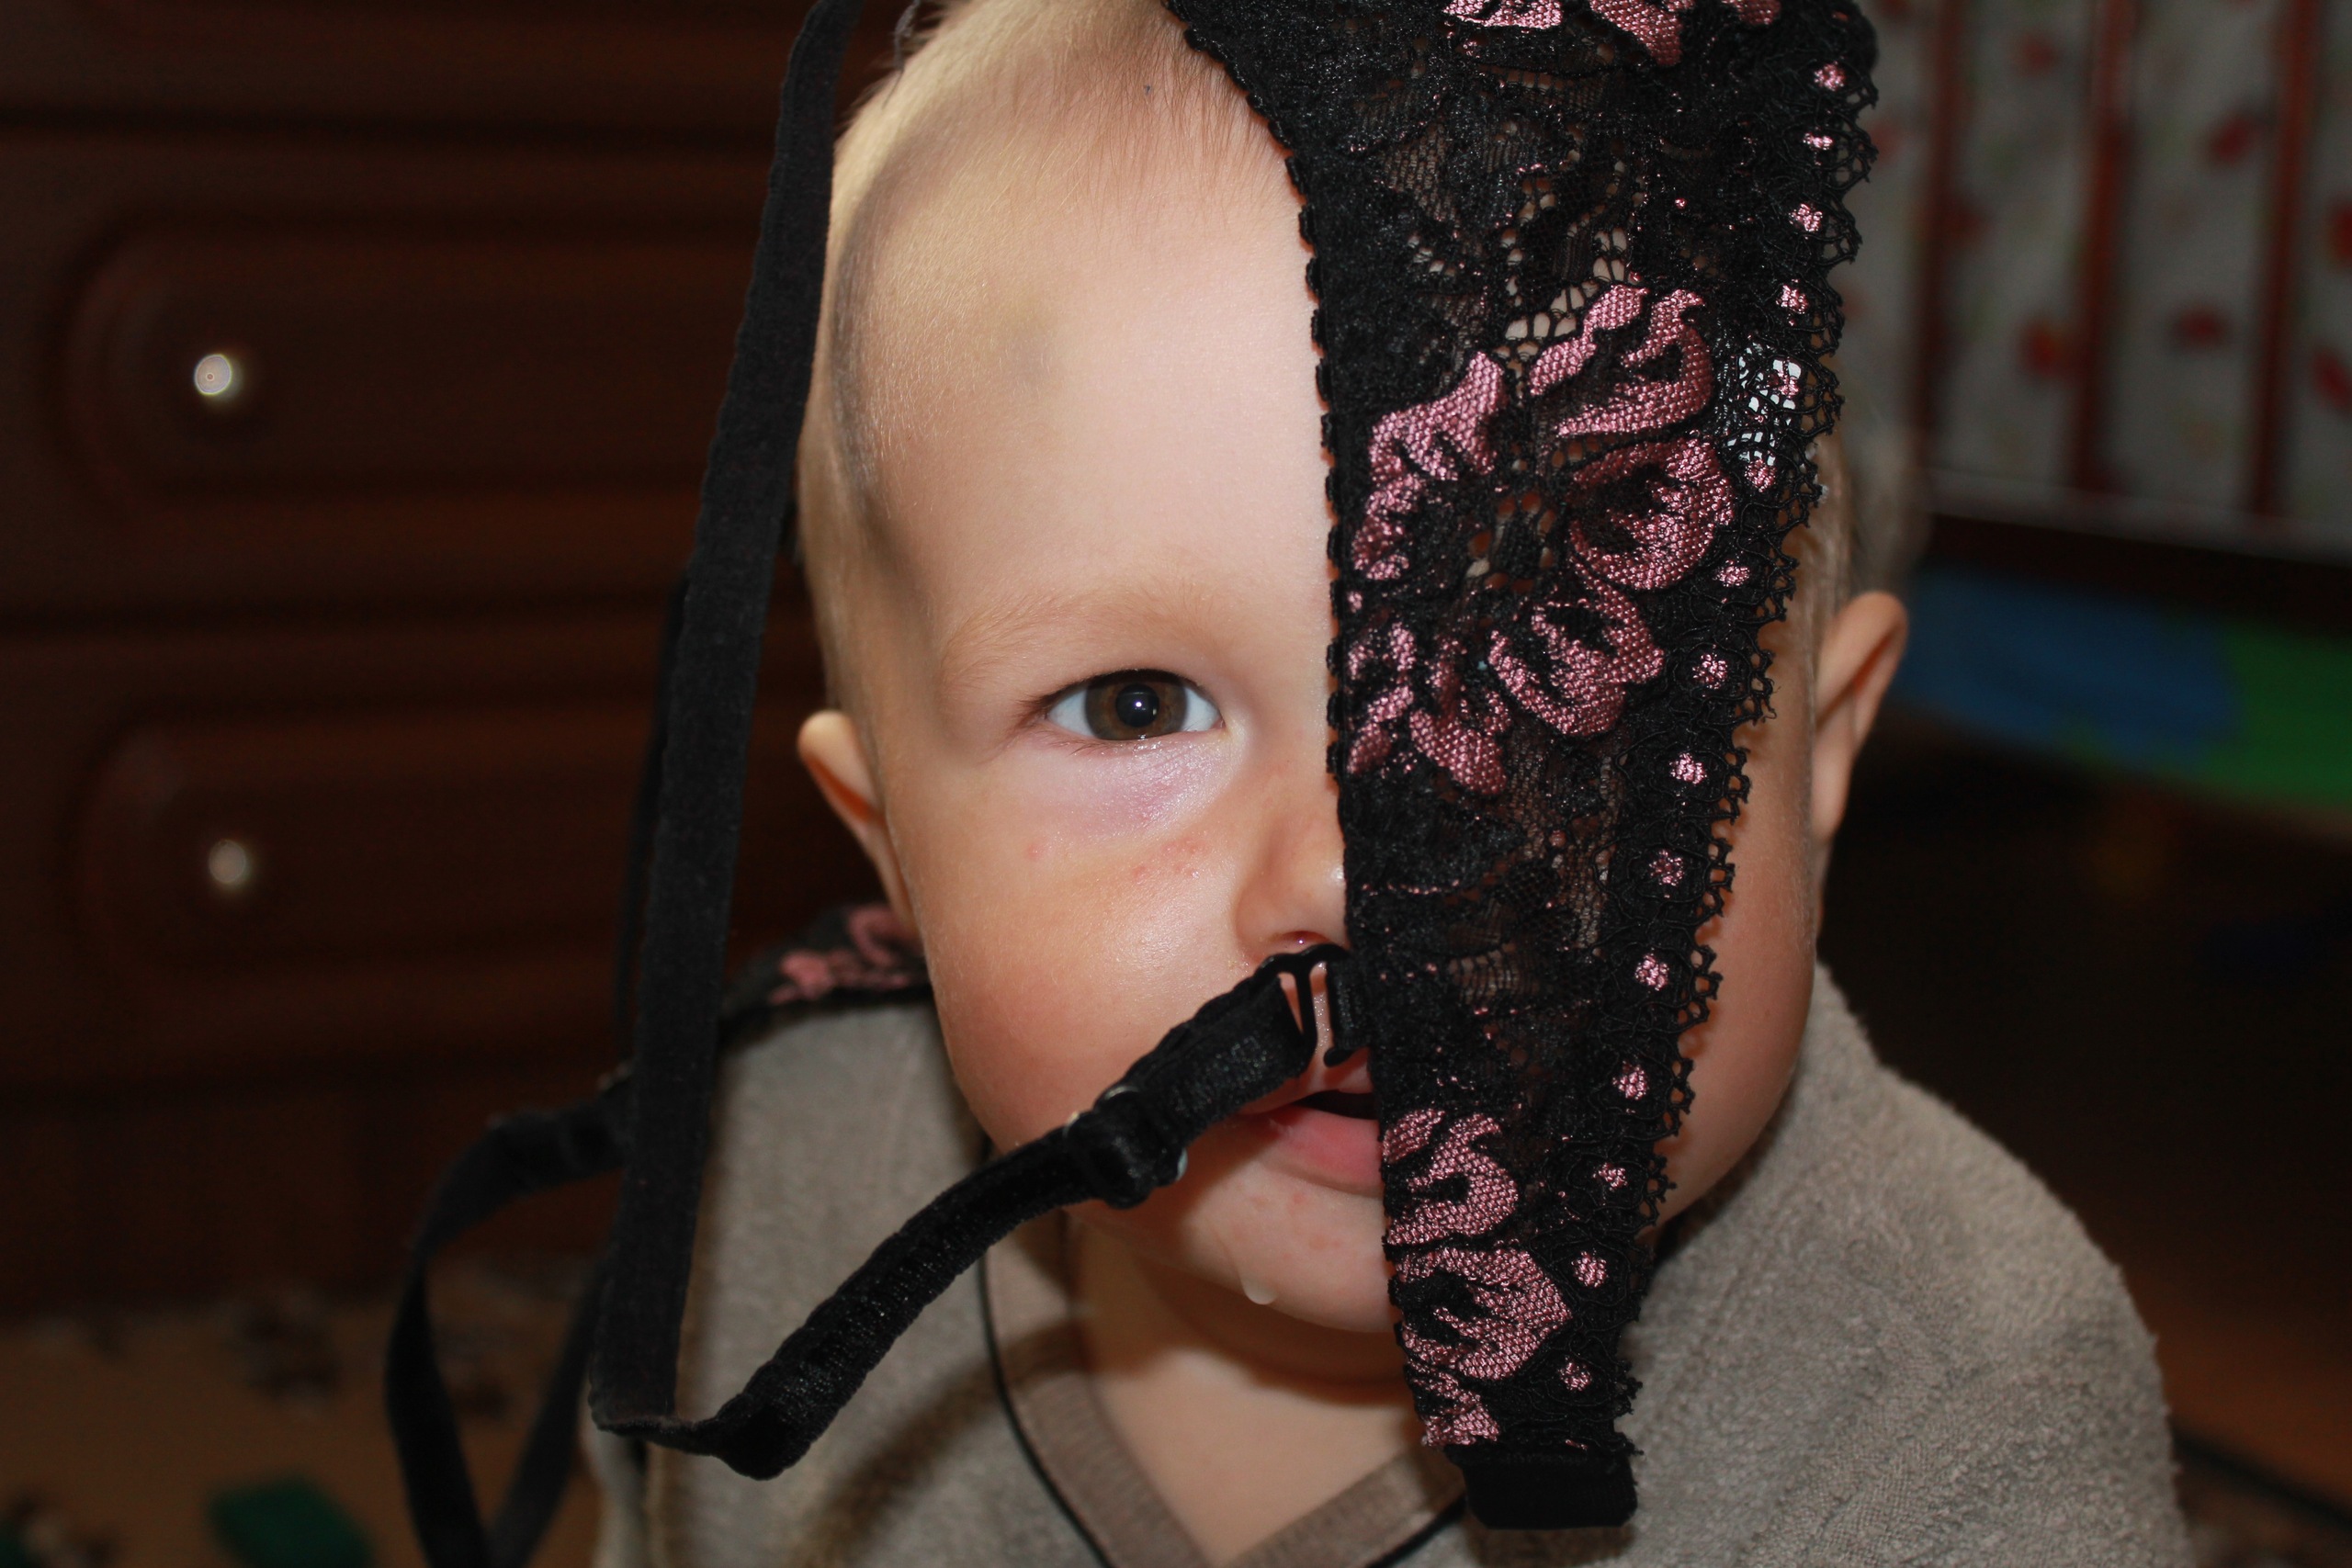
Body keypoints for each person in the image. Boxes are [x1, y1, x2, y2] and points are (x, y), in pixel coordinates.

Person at [583, 1, 2191, 1562]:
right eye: (1137, 707)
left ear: (1816, 756)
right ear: (893, 848)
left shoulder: (1964, 1419)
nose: (1359, 876)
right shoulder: (744, 1210)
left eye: (1553, 677)